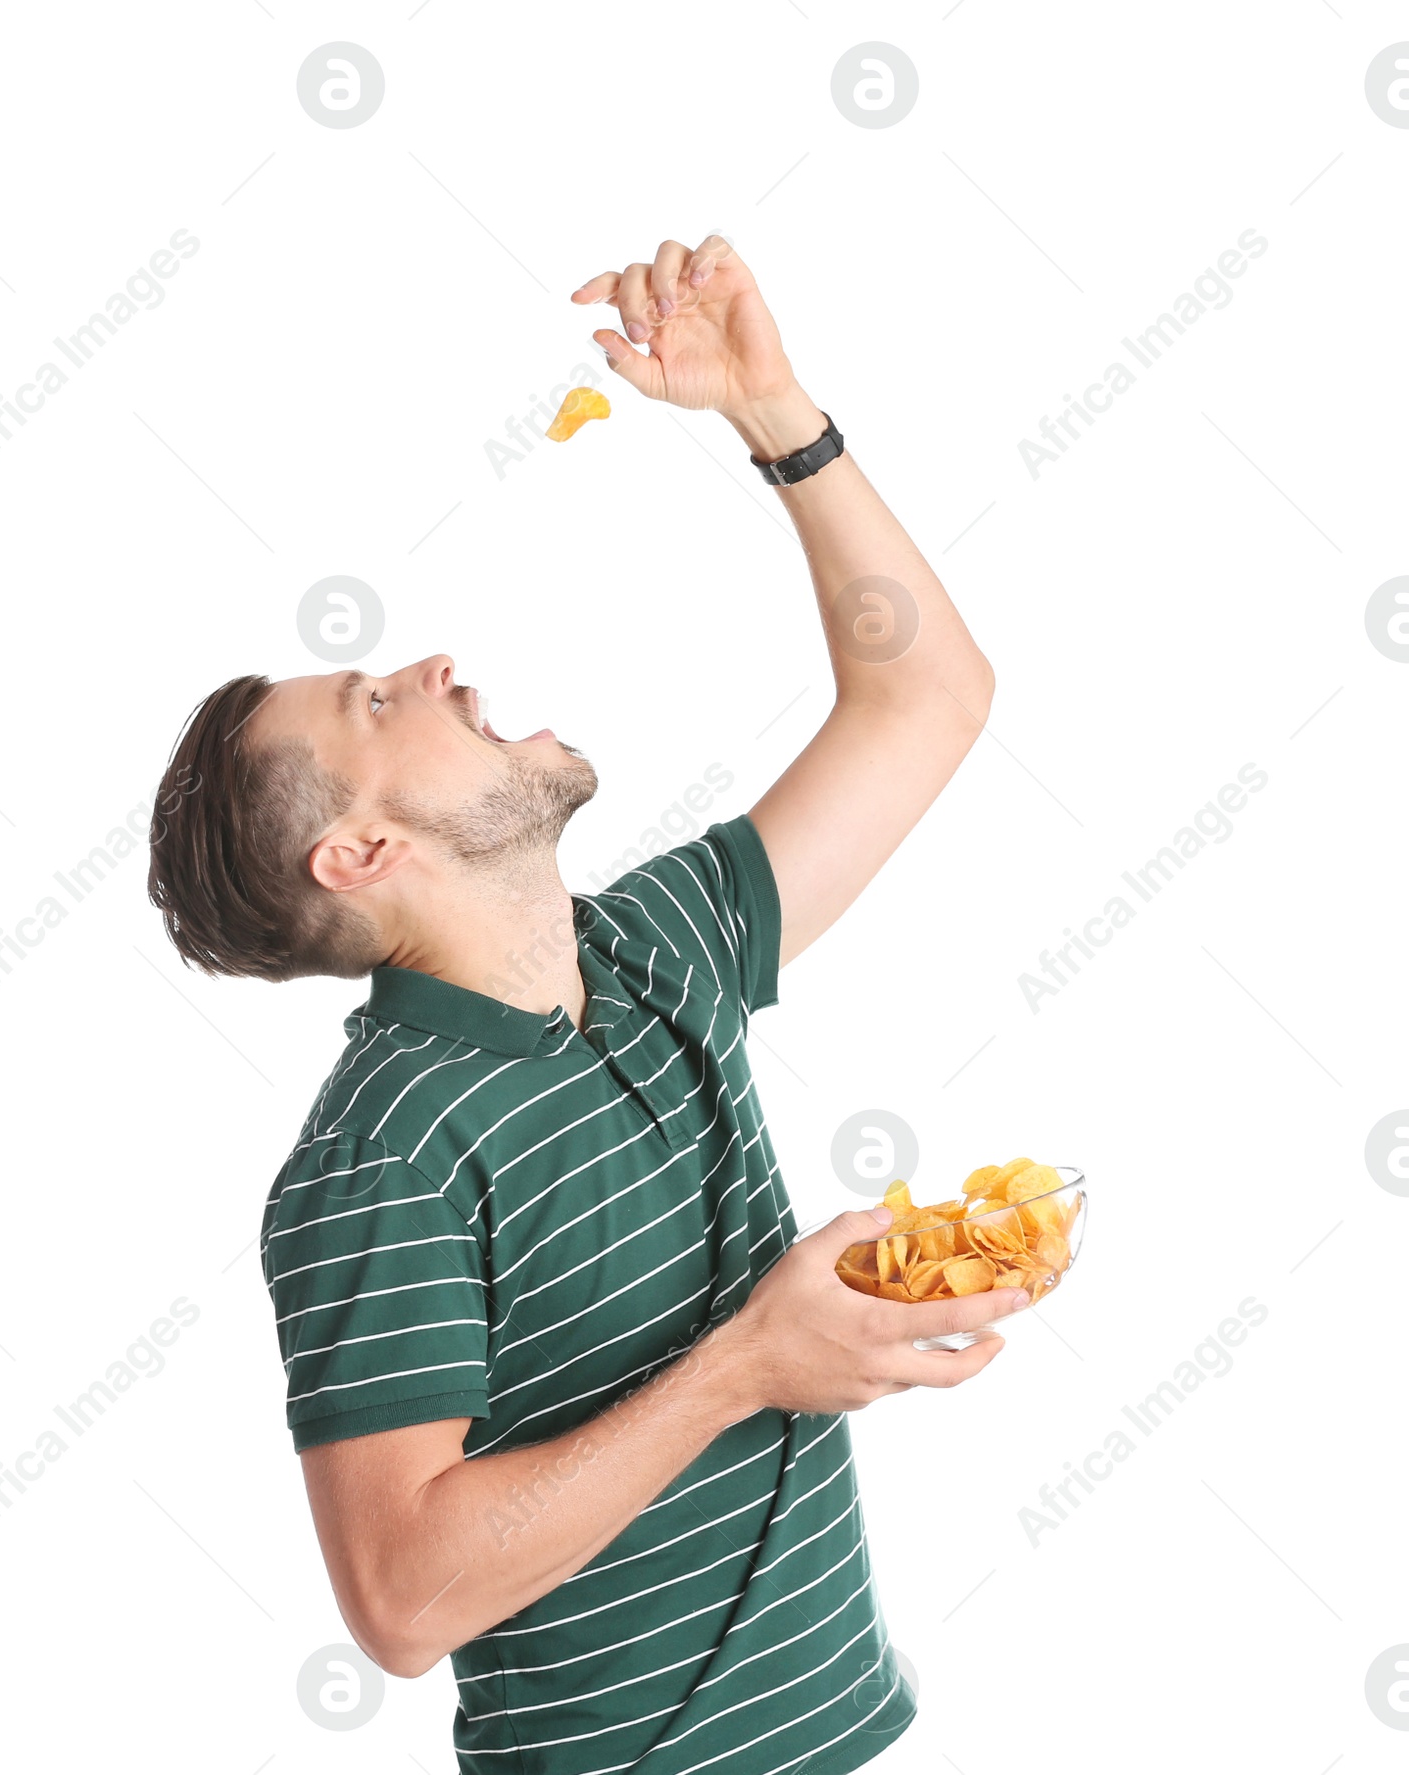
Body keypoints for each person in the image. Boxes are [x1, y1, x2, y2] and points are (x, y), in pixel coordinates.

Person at [146, 232, 1021, 1775]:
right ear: (362, 854)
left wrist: (775, 414)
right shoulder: (386, 1157)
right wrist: (758, 1361)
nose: (425, 665)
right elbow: (404, 1604)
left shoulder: (655, 950)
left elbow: (929, 694)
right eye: (371, 702)